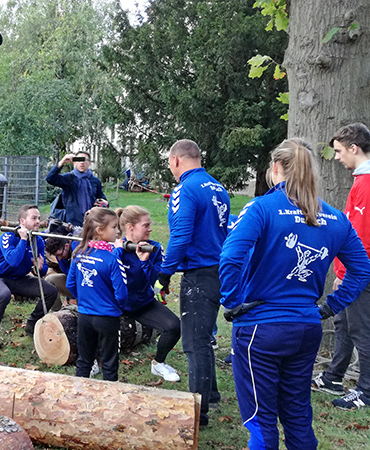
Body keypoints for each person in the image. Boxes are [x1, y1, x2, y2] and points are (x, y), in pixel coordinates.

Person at [220, 138, 370, 450]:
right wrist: (330, 307)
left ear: (276, 168)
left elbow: (231, 256)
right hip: (306, 327)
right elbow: (362, 269)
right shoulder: (334, 217)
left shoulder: (262, 207)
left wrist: (232, 302)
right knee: (298, 413)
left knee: (261, 420)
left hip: (262, 328)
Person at [156, 139, 229, 426]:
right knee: (204, 338)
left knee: (194, 343)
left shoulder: (184, 188)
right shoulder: (217, 187)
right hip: (217, 269)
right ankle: (210, 393)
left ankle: (198, 412)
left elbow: (181, 235)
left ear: (176, 160)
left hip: (198, 273)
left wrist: (165, 273)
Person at [311, 123, 370, 410]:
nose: (336, 157)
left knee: (362, 330)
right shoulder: (360, 181)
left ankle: (367, 391)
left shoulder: (367, 185)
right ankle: (334, 376)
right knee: (344, 324)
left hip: (361, 274)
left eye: (338, 151)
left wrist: (347, 275)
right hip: (352, 273)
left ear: (353, 148)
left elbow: (362, 237)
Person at [115, 205, 182, 382]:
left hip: (141, 303)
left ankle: (158, 364)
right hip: (115, 304)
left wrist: (144, 262)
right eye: (146, 225)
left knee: (174, 326)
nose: (150, 228)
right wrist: (117, 251)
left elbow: (157, 282)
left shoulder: (154, 248)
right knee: (93, 325)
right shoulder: (114, 248)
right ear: (130, 227)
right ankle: (93, 361)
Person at [0, 204, 58, 349]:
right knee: (3, 294)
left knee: (51, 292)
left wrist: (39, 269)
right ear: (22, 221)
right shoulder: (8, 236)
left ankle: (32, 324)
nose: (38, 221)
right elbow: (13, 261)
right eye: (34, 218)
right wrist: (23, 240)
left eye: (39, 218)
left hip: (18, 280)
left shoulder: (38, 241)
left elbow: (42, 271)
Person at [66, 207, 127, 380]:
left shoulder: (79, 253)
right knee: (109, 361)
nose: (118, 231)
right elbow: (121, 293)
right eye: (114, 227)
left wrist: (84, 299)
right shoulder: (112, 259)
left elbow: (70, 284)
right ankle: (110, 399)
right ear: (100, 231)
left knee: (84, 359)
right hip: (107, 317)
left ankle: (79, 394)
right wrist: (117, 307)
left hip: (84, 315)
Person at [45, 151, 107, 229]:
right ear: (74, 163)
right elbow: (50, 178)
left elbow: (101, 197)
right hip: (72, 222)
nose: (82, 163)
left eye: (85, 160)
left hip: (91, 221)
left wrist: (105, 202)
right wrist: (62, 162)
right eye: (79, 160)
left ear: (89, 163)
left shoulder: (95, 181)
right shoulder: (69, 178)